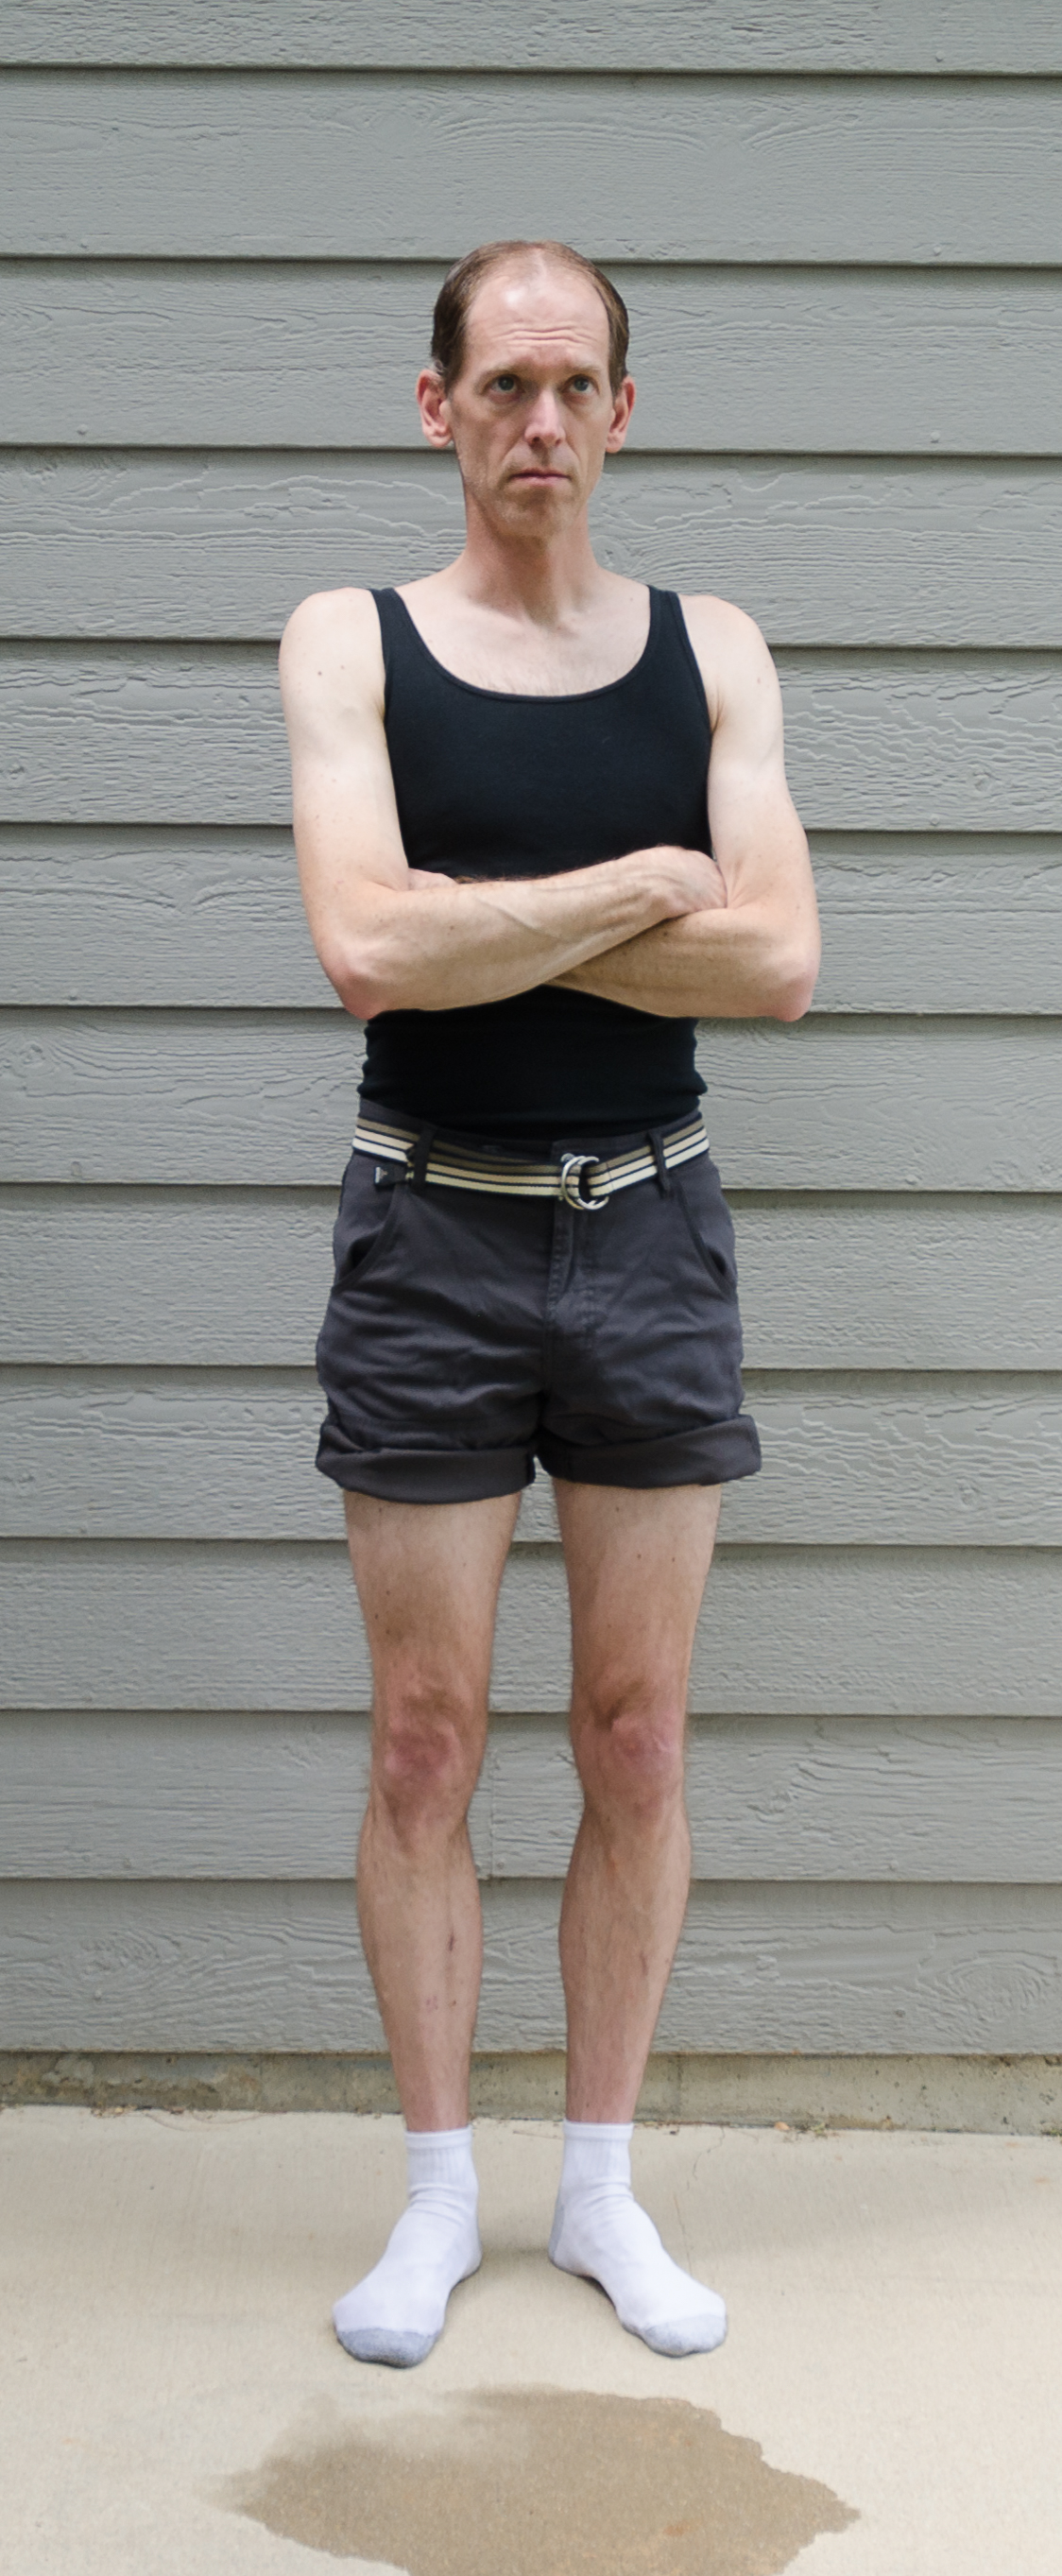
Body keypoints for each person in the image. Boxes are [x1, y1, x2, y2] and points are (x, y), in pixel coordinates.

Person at [279, 237, 819, 2370]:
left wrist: (475, 919)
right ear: (438, 408)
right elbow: (363, 951)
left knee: (635, 1732)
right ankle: (435, 2201)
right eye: (497, 384)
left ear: (618, 412)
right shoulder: (353, 640)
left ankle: (597, 2186)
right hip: (433, 1234)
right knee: (424, 1742)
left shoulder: (710, 654)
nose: (535, 421)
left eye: (571, 386)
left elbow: (775, 967)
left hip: (650, 1235)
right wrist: (631, 885)